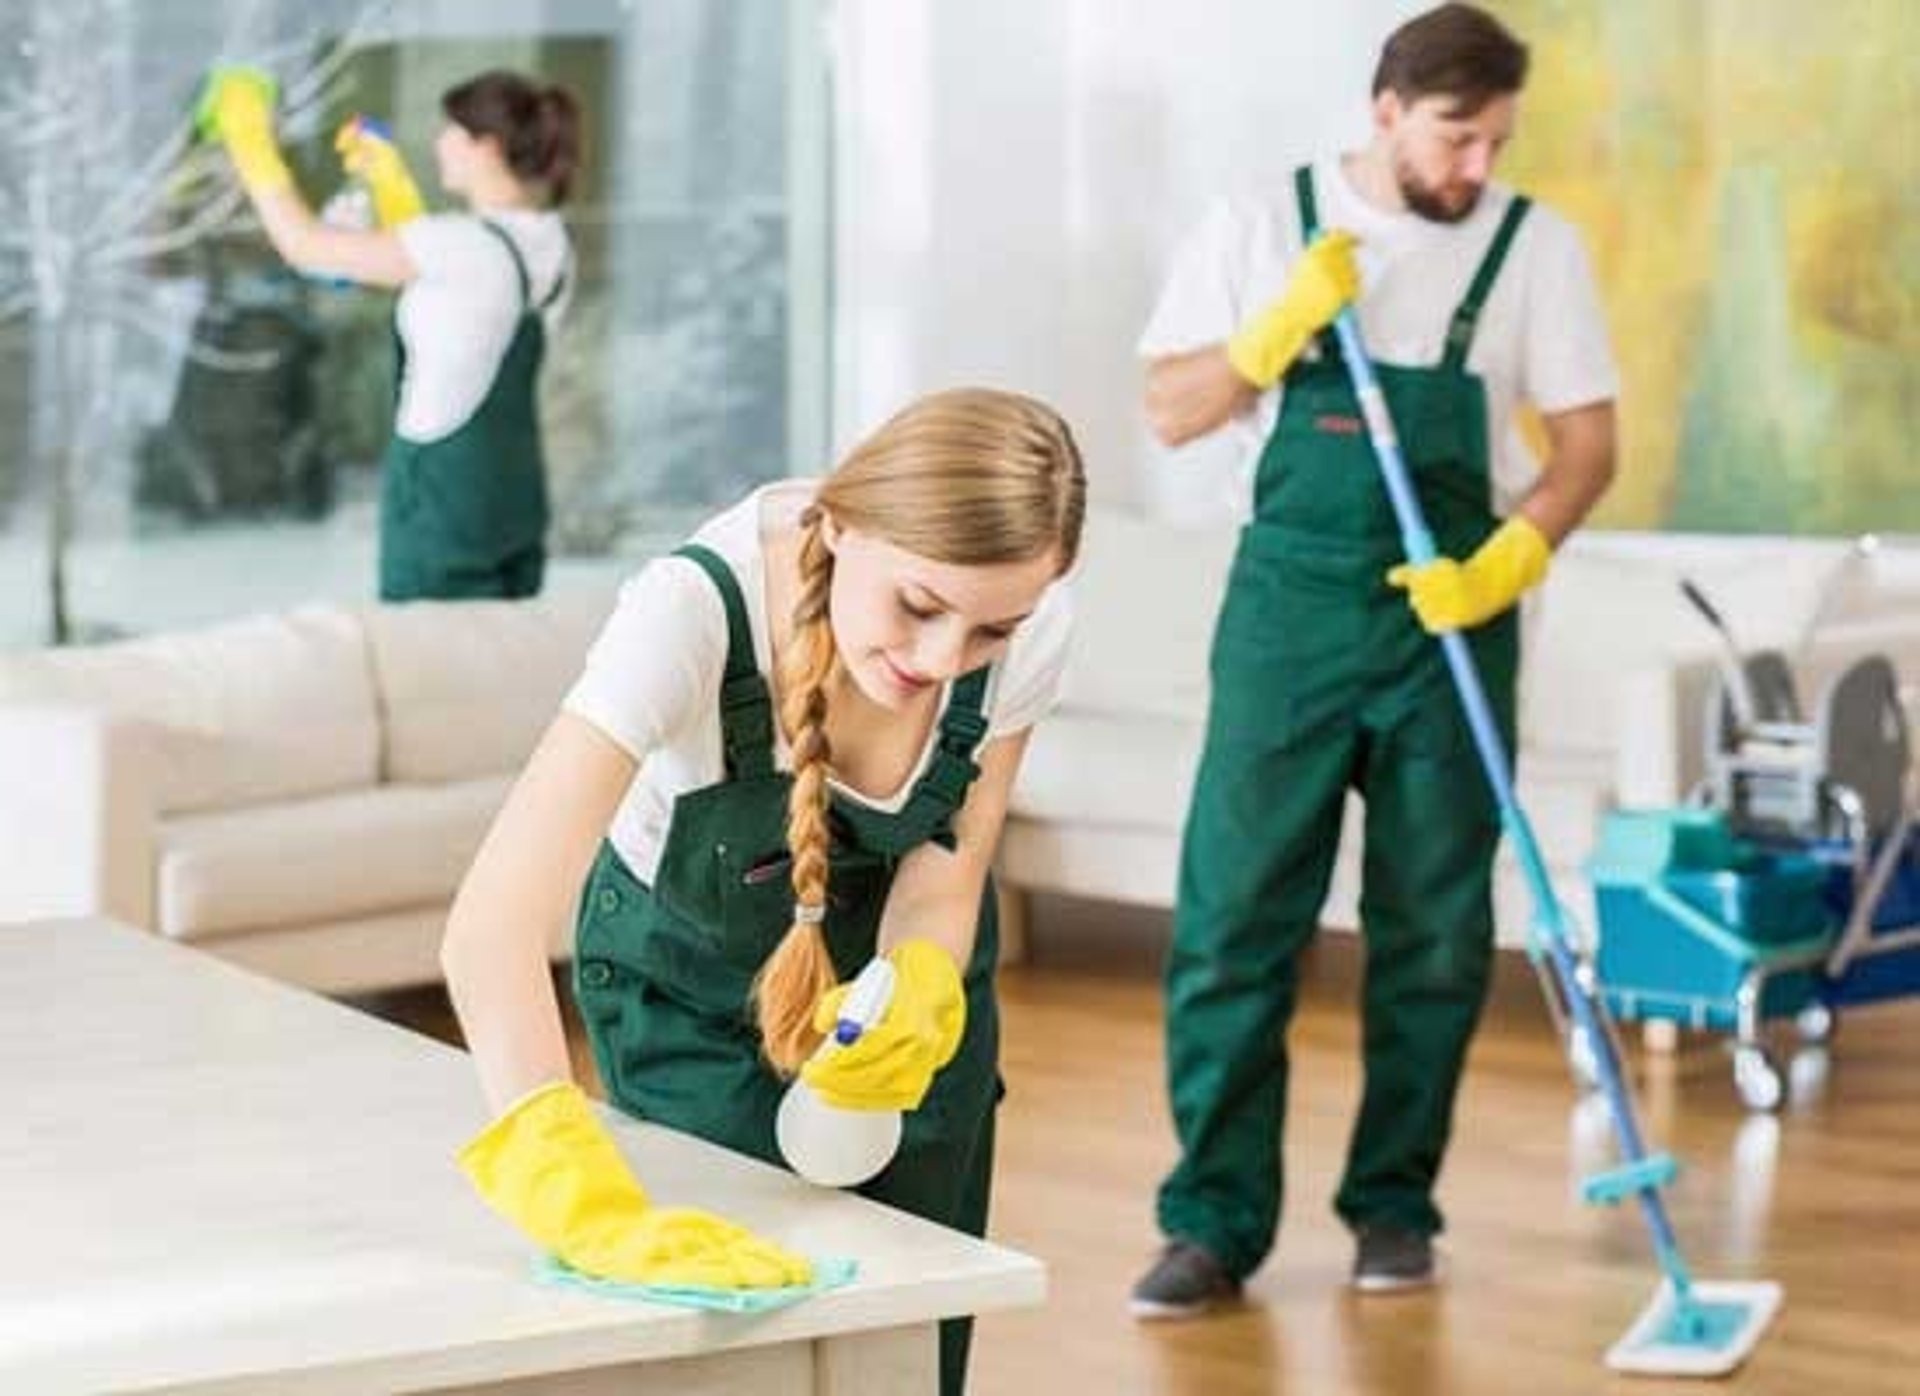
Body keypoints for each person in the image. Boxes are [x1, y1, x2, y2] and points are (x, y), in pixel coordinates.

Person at [440, 387, 1085, 1396]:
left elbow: (949, 865)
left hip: (900, 1005)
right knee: (743, 1345)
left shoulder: (1028, 625)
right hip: (694, 985)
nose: (942, 660)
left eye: (990, 633)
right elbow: (490, 929)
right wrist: (570, 1189)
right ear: (839, 519)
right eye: (918, 607)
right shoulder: (691, 611)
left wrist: (917, 976)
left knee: (906, 1335)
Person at [1129, 2, 1618, 1317]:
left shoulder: (1533, 248)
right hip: (1287, 618)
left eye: (1496, 143)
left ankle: (1394, 1209)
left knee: (1439, 935)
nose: (1476, 169)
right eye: (1458, 136)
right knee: (1234, 922)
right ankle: (1213, 1225)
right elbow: (1170, 412)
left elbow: (1586, 446)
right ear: (1387, 110)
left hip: (1449, 624)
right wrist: (1265, 336)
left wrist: (1511, 558)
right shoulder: (1261, 222)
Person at [199, 67, 579, 601]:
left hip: (443, 505)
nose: (440, 142)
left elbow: (305, 245)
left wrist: (249, 139)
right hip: (514, 501)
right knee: (497, 662)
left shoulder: (461, 246)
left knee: (427, 668)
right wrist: (389, 186)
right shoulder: (551, 242)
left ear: (488, 147)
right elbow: (461, 307)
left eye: (452, 131)